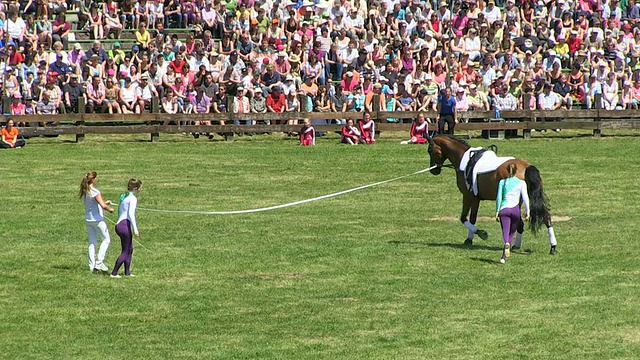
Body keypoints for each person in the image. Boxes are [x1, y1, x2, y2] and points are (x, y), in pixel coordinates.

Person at [79, 171, 115, 272]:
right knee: (106, 239)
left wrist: (105, 202)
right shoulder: (95, 191)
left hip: (89, 219)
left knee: (92, 242)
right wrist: (110, 209)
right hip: (97, 220)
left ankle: (91, 266)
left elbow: (97, 203)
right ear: (93, 179)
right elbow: (103, 206)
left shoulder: (85, 191)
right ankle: (99, 262)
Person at [495, 163, 530, 264]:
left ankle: (506, 244)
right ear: (516, 171)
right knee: (511, 233)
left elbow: (499, 197)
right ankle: (503, 257)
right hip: (515, 211)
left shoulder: (502, 182)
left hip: (504, 210)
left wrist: (497, 211)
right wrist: (528, 211)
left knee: (505, 231)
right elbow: (525, 198)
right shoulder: (521, 183)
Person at [111, 179, 142, 278]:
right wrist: (135, 229)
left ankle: (127, 272)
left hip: (119, 224)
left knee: (130, 248)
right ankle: (114, 273)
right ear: (136, 188)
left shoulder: (124, 196)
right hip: (125, 225)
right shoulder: (132, 199)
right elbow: (131, 214)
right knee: (126, 251)